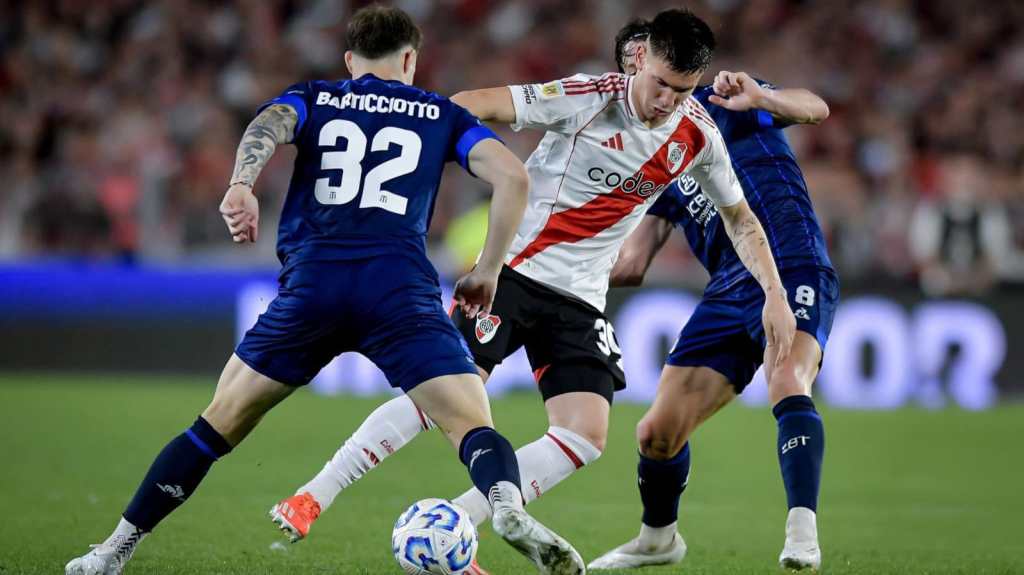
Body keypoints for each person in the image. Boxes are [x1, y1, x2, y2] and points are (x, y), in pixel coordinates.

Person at [64, 6, 585, 575]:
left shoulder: (316, 96)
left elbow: (267, 125)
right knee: (472, 426)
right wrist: (487, 270)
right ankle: (505, 505)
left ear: (349, 60)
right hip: (399, 293)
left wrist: (241, 185)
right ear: (410, 58)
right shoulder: (440, 113)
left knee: (215, 425)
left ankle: (112, 551)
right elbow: (514, 177)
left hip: (313, 287)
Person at [272, 6, 794, 563]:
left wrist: (776, 294)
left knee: (585, 436)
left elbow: (740, 218)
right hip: (513, 274)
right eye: (661, 84)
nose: (666, 101)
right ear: (641, 59)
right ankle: (312, 496)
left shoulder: (698, 134)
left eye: (682, 91)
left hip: (582, 296)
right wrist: (418, 134)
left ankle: (459, 521)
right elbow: (478, 104)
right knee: (438, 399)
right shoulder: (586, 96)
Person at [587, 19, 836, 572]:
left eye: (644, 53)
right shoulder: (651, 157)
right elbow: (630, 264)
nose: (638, 66)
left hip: (790, 259)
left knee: (787, 376)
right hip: (728, 287)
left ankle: (801, 531)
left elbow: (815, 107)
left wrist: (762, 96)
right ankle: (658, 539)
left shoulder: (724, 99)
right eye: (629, 59)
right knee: (655, 434)